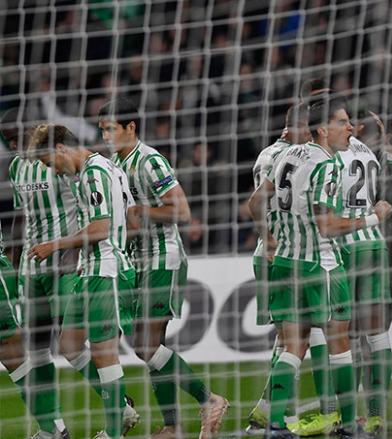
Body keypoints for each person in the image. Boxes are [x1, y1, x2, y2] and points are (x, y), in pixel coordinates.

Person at [248, 96, 392, 438]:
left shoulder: (286, 154)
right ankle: (346, 424)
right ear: (323, 129)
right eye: (343, 122)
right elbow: (327, 225)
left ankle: (276, 424)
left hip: (285, 263)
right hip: (320, 265)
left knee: (293, 346)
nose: (350, 128)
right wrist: (374, 216)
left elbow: (255, 203)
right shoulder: (327, 165)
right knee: (339, 342)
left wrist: (268, 238)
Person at [99, 97, 229, 439]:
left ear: (130, 127)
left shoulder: (150, 160)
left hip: (162, 259)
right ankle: (172, 426)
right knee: (154, 347)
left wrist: (141, 212)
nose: (106, 136)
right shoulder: (114, 164)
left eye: (111, 128)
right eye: (102, 130)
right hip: (138, 262)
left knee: (144, 346)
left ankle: (209, 399)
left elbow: (181, 211)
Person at [27, 123, 140, 439]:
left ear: (61, 148)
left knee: (105, 353)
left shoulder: (93, 172)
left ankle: (115, 430)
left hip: (106, 270)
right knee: (70, 345)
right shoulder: (100, 170)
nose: (55, 171)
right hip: (88, 270)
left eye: (51, 163)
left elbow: (102, 228)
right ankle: (123, 408)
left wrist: (55, 245)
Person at [247, 103, 341, 437]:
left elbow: (256, 201)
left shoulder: (268, 154)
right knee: (299, 338)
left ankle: (268, 410)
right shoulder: (297, 156)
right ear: (299, 129)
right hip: (290, 251)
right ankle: (292, 414)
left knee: (287, 339)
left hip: (272, 249)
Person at [2, 108, 73, 439]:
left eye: (18, 137)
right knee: (35, 349)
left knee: (73, 343)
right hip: (30, 266)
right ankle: (52, 426)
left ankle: (121, 406)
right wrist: (14, 260)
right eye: (8, 140)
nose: (15, 145)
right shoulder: (16, 167)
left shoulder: (57, 159)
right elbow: (21, 217)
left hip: (64, 262)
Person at [337, 112, 392, 437]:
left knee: (344, 334)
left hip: (346, 245)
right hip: (375, 244)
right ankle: (376, 415)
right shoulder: (368, 154)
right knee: (377, 333)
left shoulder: (334, 154)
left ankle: (343, 416)